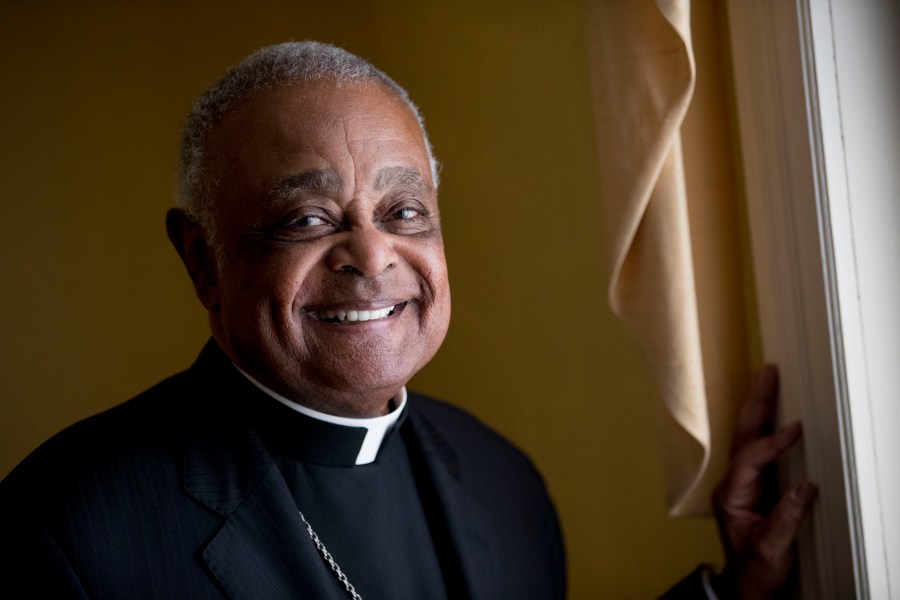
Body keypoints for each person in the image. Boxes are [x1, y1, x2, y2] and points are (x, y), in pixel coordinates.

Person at [0, 42, 815, 599]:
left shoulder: (504, 481)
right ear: (202, 260)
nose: (371, 255)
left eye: (404, 210)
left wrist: (728, 592)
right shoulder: (67, 530)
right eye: (308, 219)